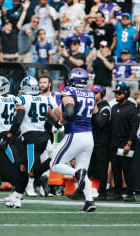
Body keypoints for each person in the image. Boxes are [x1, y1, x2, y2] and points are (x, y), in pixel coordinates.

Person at [4, 76, 60, 208]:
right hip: (42, 136)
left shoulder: (22, 99)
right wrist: (58, 124)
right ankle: (17, 195)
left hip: (30, 138)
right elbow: (51, 114)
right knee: (23, 167)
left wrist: (10, 133)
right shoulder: (44, 98)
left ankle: (52, 161)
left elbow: (18, 119)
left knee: (30, 171)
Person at [50, 68, 99, 212]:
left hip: (75, 134)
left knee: (54, 164)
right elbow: (96, 116)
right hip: (88, 136)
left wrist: (59, 123)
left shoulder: (69, 91)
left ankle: (76, 173)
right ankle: (89, 201)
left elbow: (69, 112)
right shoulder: (90, 93)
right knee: (84, 170)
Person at [109, 84, 139, 202]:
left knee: (127, 169)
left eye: (119, 93)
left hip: (125, 143)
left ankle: (130, 193)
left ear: (126, 94)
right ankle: (117, 193)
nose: (117, 95)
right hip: (114, 143)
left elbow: (134, 128)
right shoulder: (114, 107)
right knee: (115, 169)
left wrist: (129, 143)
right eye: (116, 93)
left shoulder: (132, 108)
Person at [88, 84, 111, 200]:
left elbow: (101, 124)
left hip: (102, 142)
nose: (93, 95)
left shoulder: (105, 107)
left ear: (101, 94)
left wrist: (93, 111)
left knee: (102, 168)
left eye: (95, 93)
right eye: (91, 92)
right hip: (92, 141)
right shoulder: (91, 106)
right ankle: (84, 190)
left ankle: (102, 192)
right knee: (89, 167)